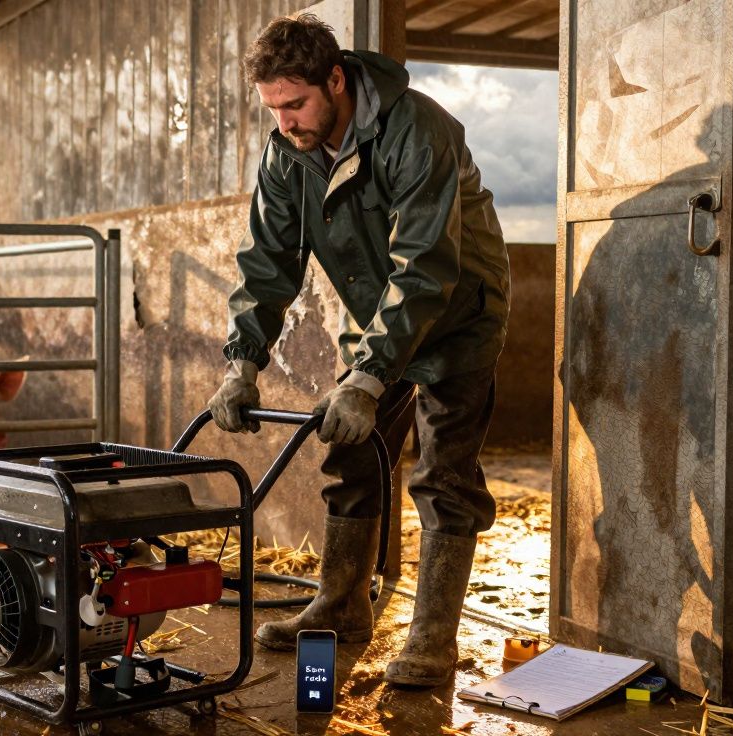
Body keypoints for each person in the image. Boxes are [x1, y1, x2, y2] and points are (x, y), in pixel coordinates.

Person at [207, 14, 511, 686]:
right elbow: (268, 261)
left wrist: (368, 378)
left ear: (336, 80)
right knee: (347, 451)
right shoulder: (287, 152)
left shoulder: (417, 130)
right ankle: (342, 605)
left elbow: (427, 266)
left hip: (460, 314)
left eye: (296, 104)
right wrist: (242, 364)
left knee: (446, 473)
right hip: (379, 316)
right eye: (273, 108)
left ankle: (432, 638)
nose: (284, 122)